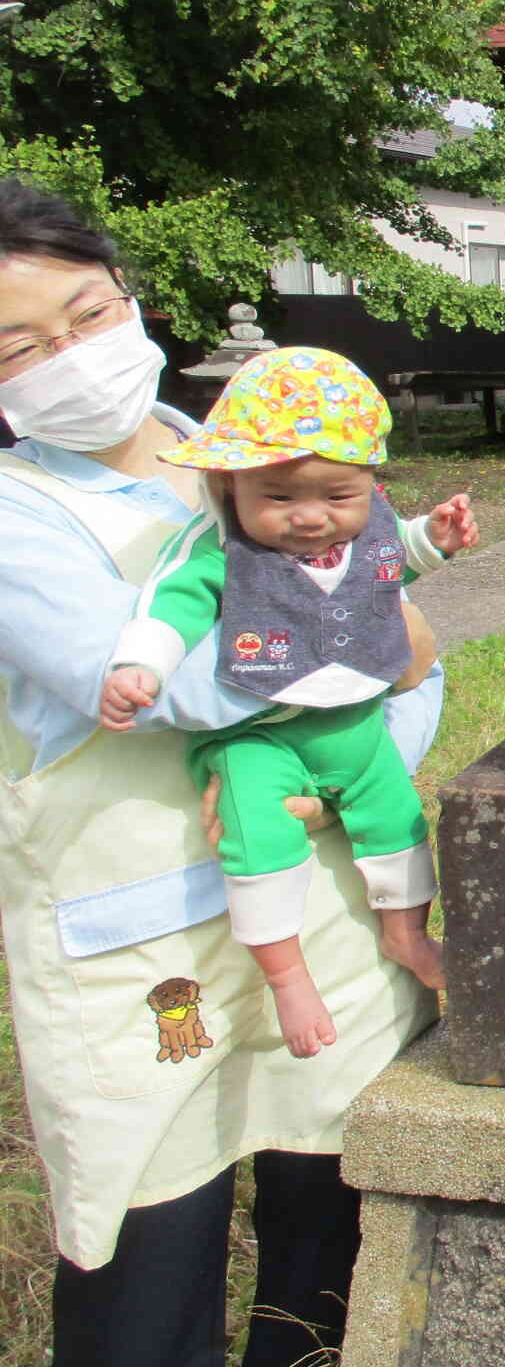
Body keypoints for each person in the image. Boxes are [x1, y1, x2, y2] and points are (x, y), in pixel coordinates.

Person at [0, 179, 444, 1367]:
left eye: (87, 315)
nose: (69, 356)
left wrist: (367, 755)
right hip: (143, 934)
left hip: (324, 902)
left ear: (130, 298)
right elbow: (165, 685)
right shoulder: (17, 515)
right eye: (20, 346)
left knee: (329, 1229)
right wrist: (389, 649)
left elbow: (402, 643)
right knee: (153, 1253)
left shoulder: (249, 446)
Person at [100, 347, 477, 1057]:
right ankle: (287, 975)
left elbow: (396, 552)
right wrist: (140, 667)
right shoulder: (217, 550)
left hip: (356, 724)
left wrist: (437, 537)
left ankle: (406, 934)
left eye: (337, 498)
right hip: (258, 736)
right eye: (278, 499)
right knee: (258, 838)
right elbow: (168, 610)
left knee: (398, 820)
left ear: (369, 482)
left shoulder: (368, 523)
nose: (310, 519)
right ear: (229, 487)